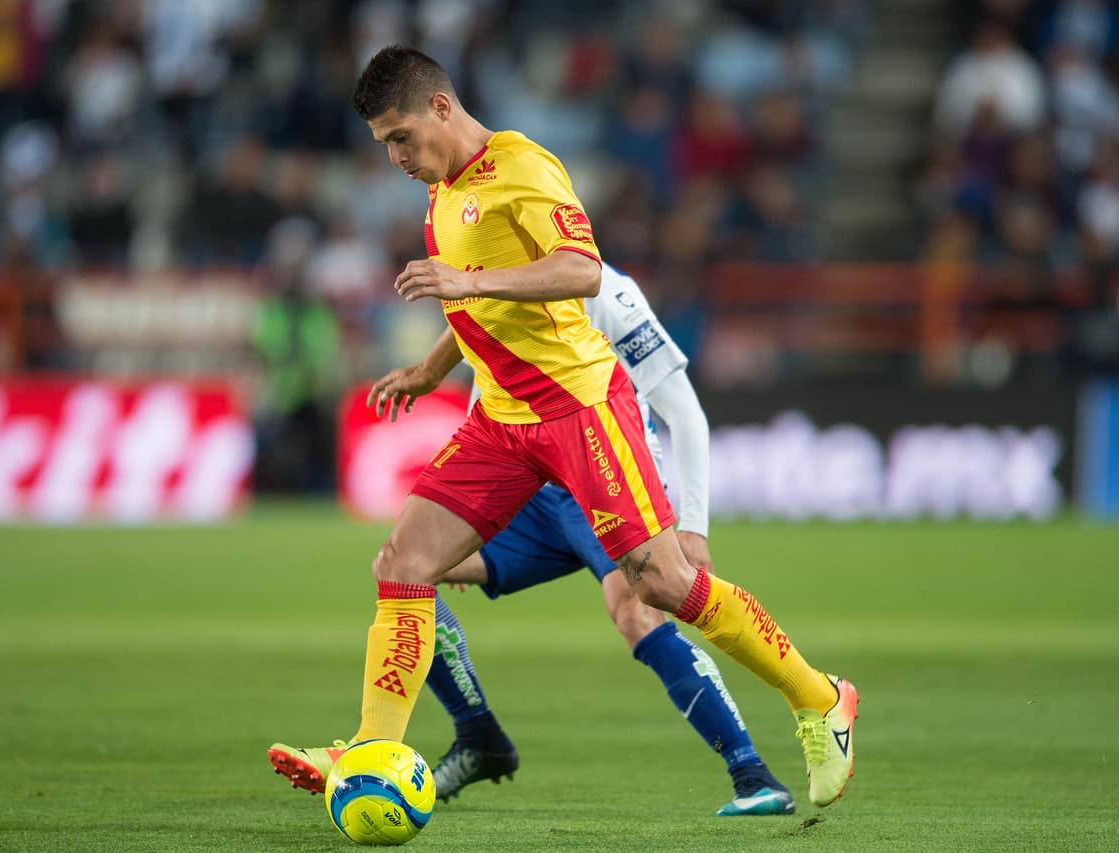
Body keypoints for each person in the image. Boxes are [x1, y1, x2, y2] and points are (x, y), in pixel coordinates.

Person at [268, 45, 858, 811]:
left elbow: (582, 268)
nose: (395, 157)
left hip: (580, 409)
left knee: (662, 583)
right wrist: (433, 368)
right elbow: (481, 303)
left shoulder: (522, 166)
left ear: (441, 107)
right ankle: (371, 748)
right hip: (501, 422)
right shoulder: (444, 190)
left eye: (401, 137)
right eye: (385, 143)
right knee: (403, 562)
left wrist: (464, 279)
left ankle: (820, 698)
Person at [426, 263, 795, 816]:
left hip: (603, 480)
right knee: (411, 569)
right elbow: (483, 381)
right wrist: (473, 515)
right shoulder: (488, 280)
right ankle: (478, 737)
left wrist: (693, 526)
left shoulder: (609, 292)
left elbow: (684, 412)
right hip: (531, 490)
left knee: (637, 612)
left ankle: (752, 774)